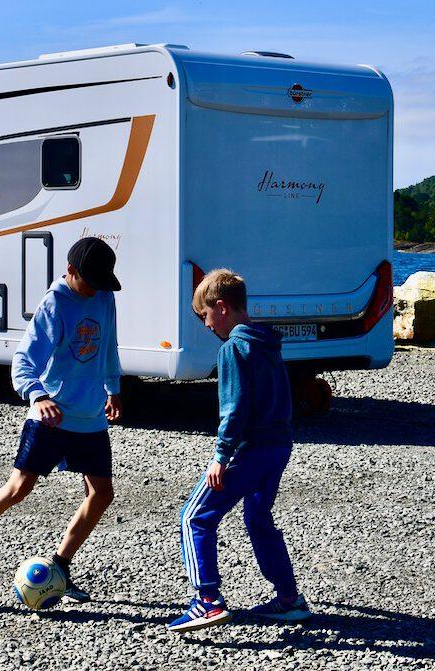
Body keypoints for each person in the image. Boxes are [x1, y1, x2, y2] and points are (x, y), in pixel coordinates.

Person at [0, 237, 123, 603]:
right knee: (19, 487)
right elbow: (23, 361)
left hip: (90, 417)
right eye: (89, 280)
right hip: (52, 415)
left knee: (102, 494)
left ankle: (60, 566)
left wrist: (113, 388)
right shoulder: (54, 304)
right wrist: (39, 396)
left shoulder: (104, 296)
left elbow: (109, 345)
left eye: (101, 281)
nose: (95, 288)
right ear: (71, 271)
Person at [167, 268, 311, 633]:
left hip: (248, 451)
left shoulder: (234, 348)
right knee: (259, 520)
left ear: (221, 307)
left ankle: (207, 600)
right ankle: (289, 598)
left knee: (194, 517)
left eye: (204, 316)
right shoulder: (267, 342)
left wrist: (221, 455)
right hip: (278, 447)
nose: (206, 325)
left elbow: (235, 407)